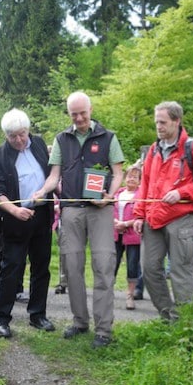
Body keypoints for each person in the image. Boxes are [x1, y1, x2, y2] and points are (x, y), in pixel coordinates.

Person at [33, 91, 124, 348]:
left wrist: (110, 195)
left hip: (100, 209)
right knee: (72, 267)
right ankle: (80, 321)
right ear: (69, 114)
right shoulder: (62, 138)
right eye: (74, 114)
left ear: (90, 109)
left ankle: (104, 329)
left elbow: (118, 173)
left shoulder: (108, 137)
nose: (80, 118)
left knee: (104, 265)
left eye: (83, 112)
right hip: (71, 208)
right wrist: (43, 190)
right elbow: (54, 176)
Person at [132, 101, 193, 322]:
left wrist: (182, 193)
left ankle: (185, 325)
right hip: (153, 216)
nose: (158, 126)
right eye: (156, 122)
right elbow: (145, 184)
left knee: (181, 272)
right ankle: (168, 316)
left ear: (177, 121)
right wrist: (139, 213)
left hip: (182, 217)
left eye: (163, 122)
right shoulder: (153, 149)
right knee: (149, 269)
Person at [0, 108, 55, 338]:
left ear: (28, 131)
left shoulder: (38, 145)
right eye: (13, 136)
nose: (19, 140)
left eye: (22, 134)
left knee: (41, 267)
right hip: (15, 220)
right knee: (11, 268)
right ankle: (2, 319)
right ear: (6, 135)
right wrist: (15, 210)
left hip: (42, 216)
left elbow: (51, 175)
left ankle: (37, 314)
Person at [113, 164, 142, 310]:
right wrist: (116, 222)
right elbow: (109, 209)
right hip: (115, 234)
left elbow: (142, 215)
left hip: (133, 236)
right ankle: (107, 294)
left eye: (135, 177)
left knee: (132, 265)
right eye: (129, 176)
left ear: (139, 181)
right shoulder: (117, 193)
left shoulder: (141, 195)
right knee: (112, 264)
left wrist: (125, 223)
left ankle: (130, 296)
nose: (131, 179)